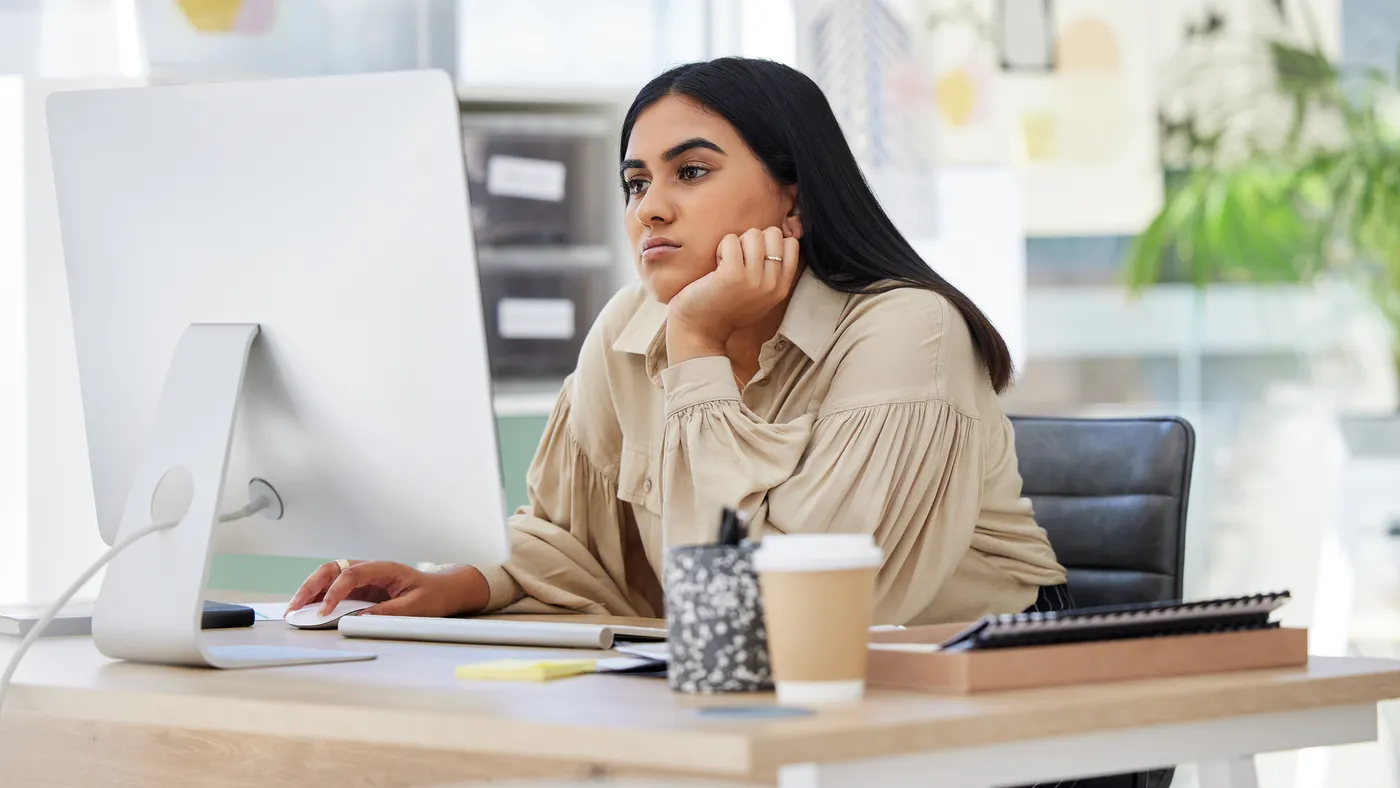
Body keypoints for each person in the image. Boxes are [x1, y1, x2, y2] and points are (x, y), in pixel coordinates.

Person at [288, 57, 1070, 626]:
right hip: (766, 698)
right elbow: (575, 543)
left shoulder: (908, 329)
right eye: (635, 183)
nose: (649, 210)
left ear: (792, 195)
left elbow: (791, 608)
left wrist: (697, 346)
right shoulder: (628, 330)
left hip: (989, 696)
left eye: (689, 172)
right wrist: (460, 582)